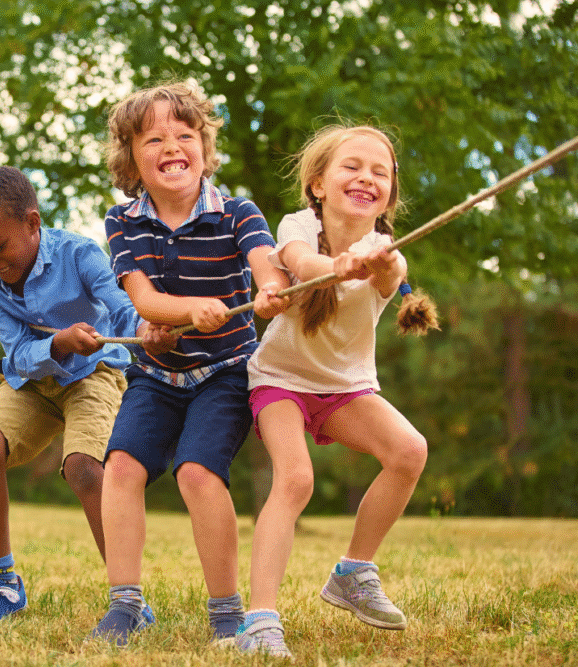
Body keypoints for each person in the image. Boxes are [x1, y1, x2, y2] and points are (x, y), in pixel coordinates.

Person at [88, 82, 290, 648]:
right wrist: (186, 309)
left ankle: (227, 612)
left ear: (204, 146)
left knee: (198, 474)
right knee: (121, 468)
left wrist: (272, 288)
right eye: (153, 138)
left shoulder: (236, 211)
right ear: (131, 158)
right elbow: (144, 299)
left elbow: (265, 263)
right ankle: (125, 604)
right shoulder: (123, 220)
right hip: (157, 374)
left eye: (185, 134)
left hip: (225, 371)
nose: (171, 146)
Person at [240, 124, 438, 659]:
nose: (366, 178)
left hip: (345, 388)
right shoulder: (298, 224)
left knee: (409, 450)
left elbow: (390, 270)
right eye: (352, 166)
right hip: (280, 381)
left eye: (380, 172)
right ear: (319, 184)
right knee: (296, 479)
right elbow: (302, 263)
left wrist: (374, 264)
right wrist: (335, 266)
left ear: (390, 194)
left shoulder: (387, 250)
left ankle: (353, 571)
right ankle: (258, 620)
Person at [0, 166, 171, 624]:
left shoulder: (80, 254)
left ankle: (128, 600)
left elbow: (121, 304)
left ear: (32, 224)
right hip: (33, 381)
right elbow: (16, 354)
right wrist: (57, 343)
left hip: (95, 374)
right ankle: (4, 583)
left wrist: (146, 329)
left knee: (84, 468)